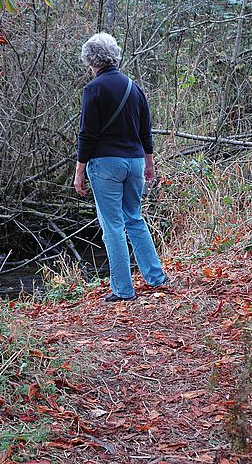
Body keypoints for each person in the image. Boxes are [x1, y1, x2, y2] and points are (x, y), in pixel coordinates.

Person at [74, 32, 169, 302]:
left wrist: (79, 169)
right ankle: (156, 278)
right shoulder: (134, 87)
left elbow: (87, 134)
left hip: (106, 165)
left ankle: (123, 290)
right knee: (135, 219)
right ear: (114, 55)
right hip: (136, 161)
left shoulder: (94, 89)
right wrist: (149, 163)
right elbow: (145, 130)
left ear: (90, 59)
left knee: (113, 226)